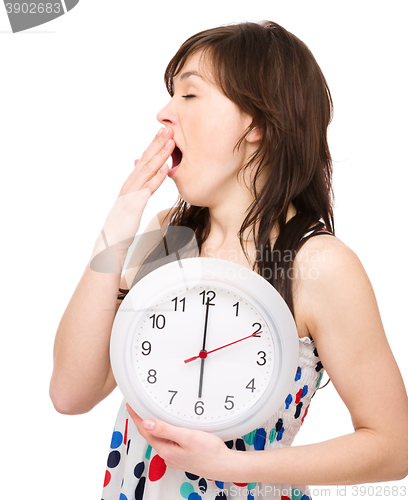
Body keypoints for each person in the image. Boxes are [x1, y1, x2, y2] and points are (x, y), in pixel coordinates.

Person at [50, 21, 408, 500]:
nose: (164, 113)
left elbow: (393, 445)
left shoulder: (319, 265)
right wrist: (117, 227)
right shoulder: (167, 236)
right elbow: (70, 393)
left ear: (257, 123)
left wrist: (232, 464)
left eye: (190, 96)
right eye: (170, 95)